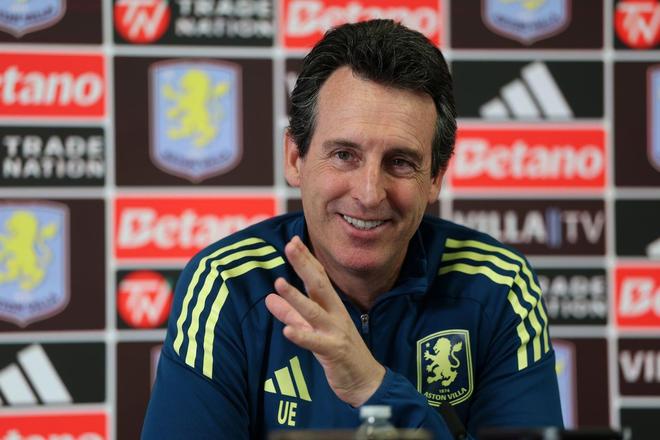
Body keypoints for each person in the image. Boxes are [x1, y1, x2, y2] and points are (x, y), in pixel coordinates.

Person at [142, 19, 563, 439]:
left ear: (435, 177)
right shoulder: (229, 285)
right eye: (345, 155)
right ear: (295, 159)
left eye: (400, 162)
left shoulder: (497, 285)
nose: (369, 193)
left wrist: (374, 388)